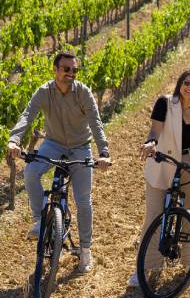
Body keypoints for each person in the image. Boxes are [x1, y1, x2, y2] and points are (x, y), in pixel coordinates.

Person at [7, 50, 112, 274]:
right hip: (53, 143)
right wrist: (14, 140)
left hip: (80, 146)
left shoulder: (83, 92)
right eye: (66, 69)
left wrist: (103, 152)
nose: (71, 73)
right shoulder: (44, 92)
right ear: (55, 70)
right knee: (31, 172)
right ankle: (39, 220)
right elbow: (28, 115)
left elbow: (96, 122)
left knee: (83, 200)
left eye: (75, 70)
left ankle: (85, 250)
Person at [127, 70, 190, 288]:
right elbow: (155, 131)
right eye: (186, 82)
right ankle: (145, 268)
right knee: (154, 215)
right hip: (165, 160)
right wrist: (151, 144)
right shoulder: (165, 103)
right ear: (180, 84)